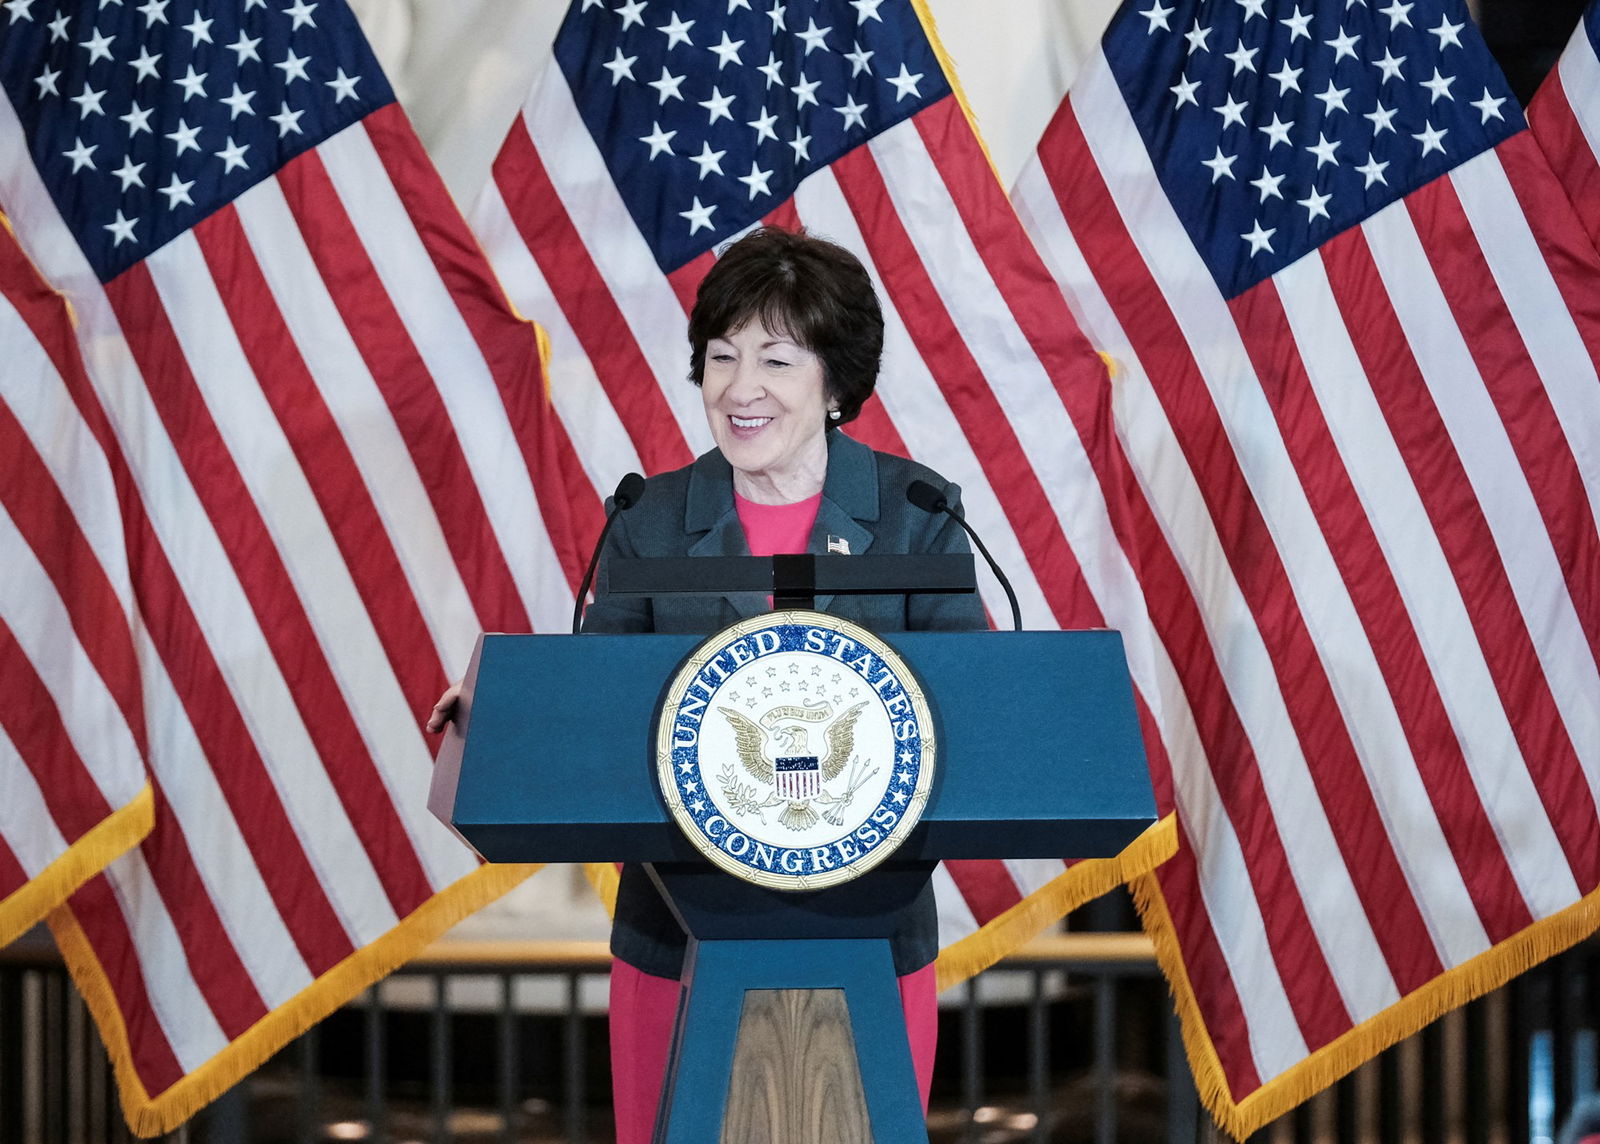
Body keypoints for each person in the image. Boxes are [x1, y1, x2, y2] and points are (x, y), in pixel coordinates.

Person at [429, 226, 987, 1142]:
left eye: (774, 358)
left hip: (872, 936)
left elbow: (972, 706)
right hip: (675, 935)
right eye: (721, 358)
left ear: (837, 382)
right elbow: (599, 699)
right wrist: (506, 715)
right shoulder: (650, 520)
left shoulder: (912, 515)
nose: (739, 388)